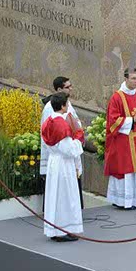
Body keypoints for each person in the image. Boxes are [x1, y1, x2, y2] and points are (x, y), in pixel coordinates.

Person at [104, 68, 136, 209]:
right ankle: (125, 201)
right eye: (133, 78)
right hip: (124, 140)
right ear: (126, 79)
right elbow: (113, 121)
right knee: (127, 169)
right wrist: (132, 120)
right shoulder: (117, 97)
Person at [42, 92, 84, 242]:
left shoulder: (49, 121)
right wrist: (78, 139)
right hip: (63, 164)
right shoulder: (61, 124)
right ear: (62, 106)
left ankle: (54, 229)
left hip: (54, 161)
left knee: (55, 195)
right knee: (64, 196)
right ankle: (63, 230)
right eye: (67, 103)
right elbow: (68, 149)